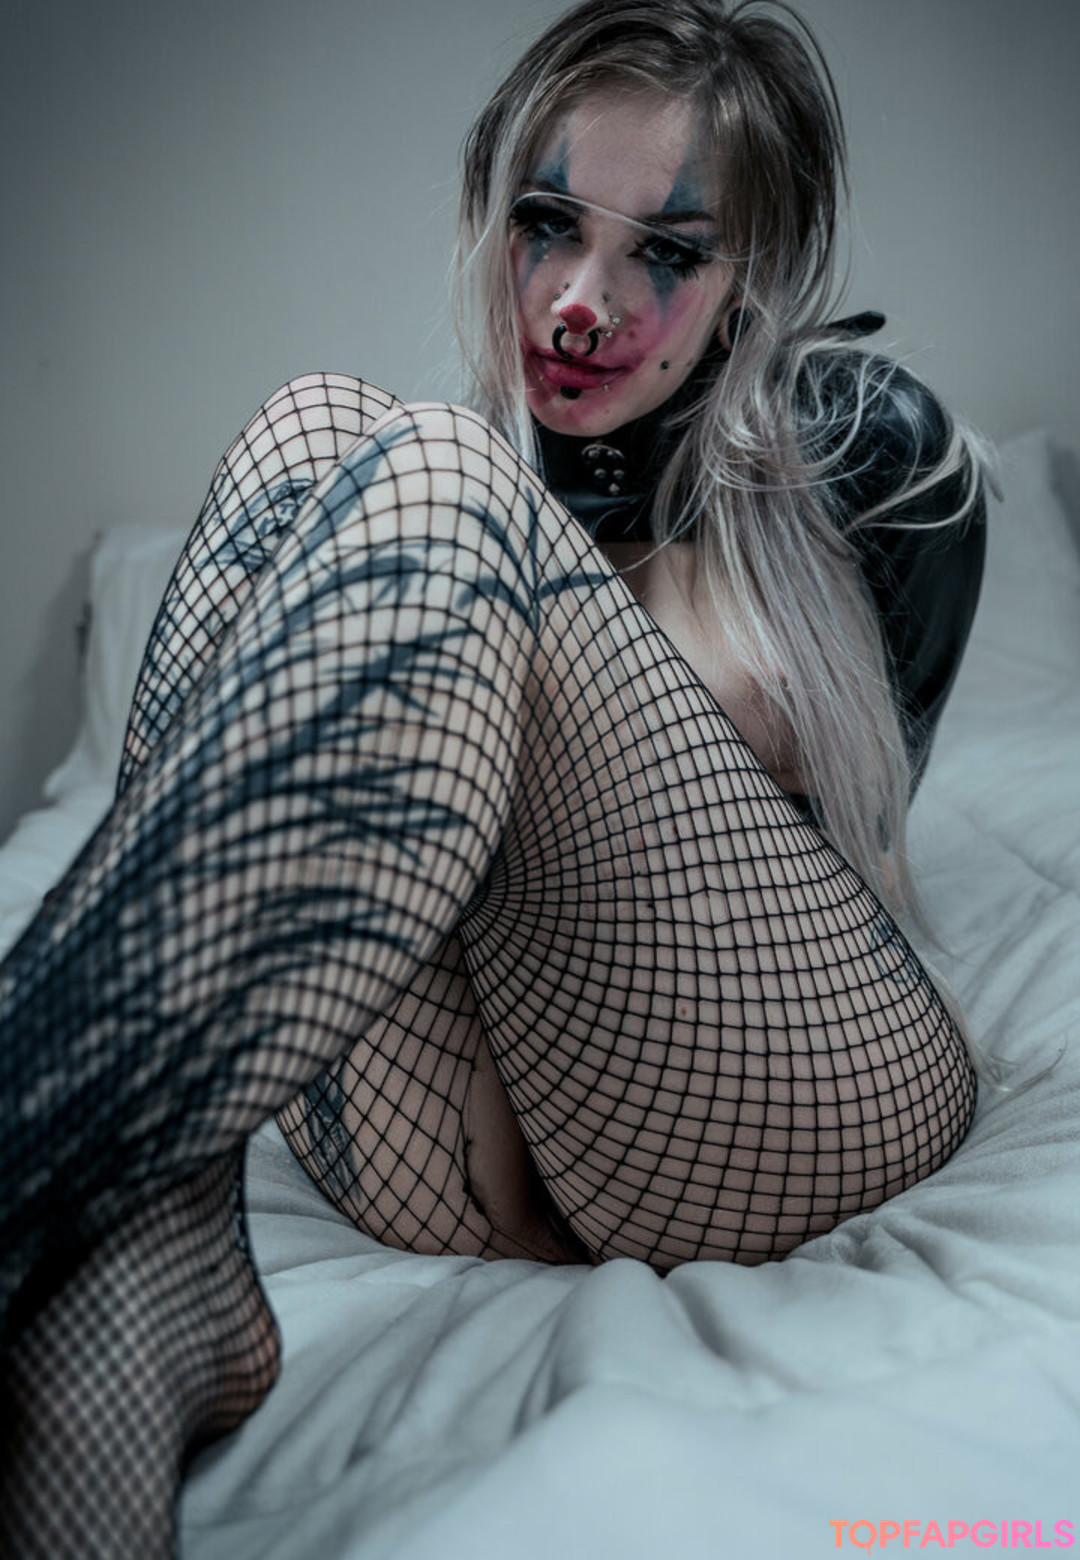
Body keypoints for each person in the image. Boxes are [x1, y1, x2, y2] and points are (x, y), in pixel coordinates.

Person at [0, 0, 986, 1554]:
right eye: (547, 224)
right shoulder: (421, 496)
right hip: (444, 1151)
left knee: (432, 469)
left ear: (752, 279)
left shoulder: (862, 448)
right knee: (313, 427)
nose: (582, 303)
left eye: (668, 253)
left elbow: (830, 827)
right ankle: (136, 1290)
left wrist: (557, 554)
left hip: (765, 1110)